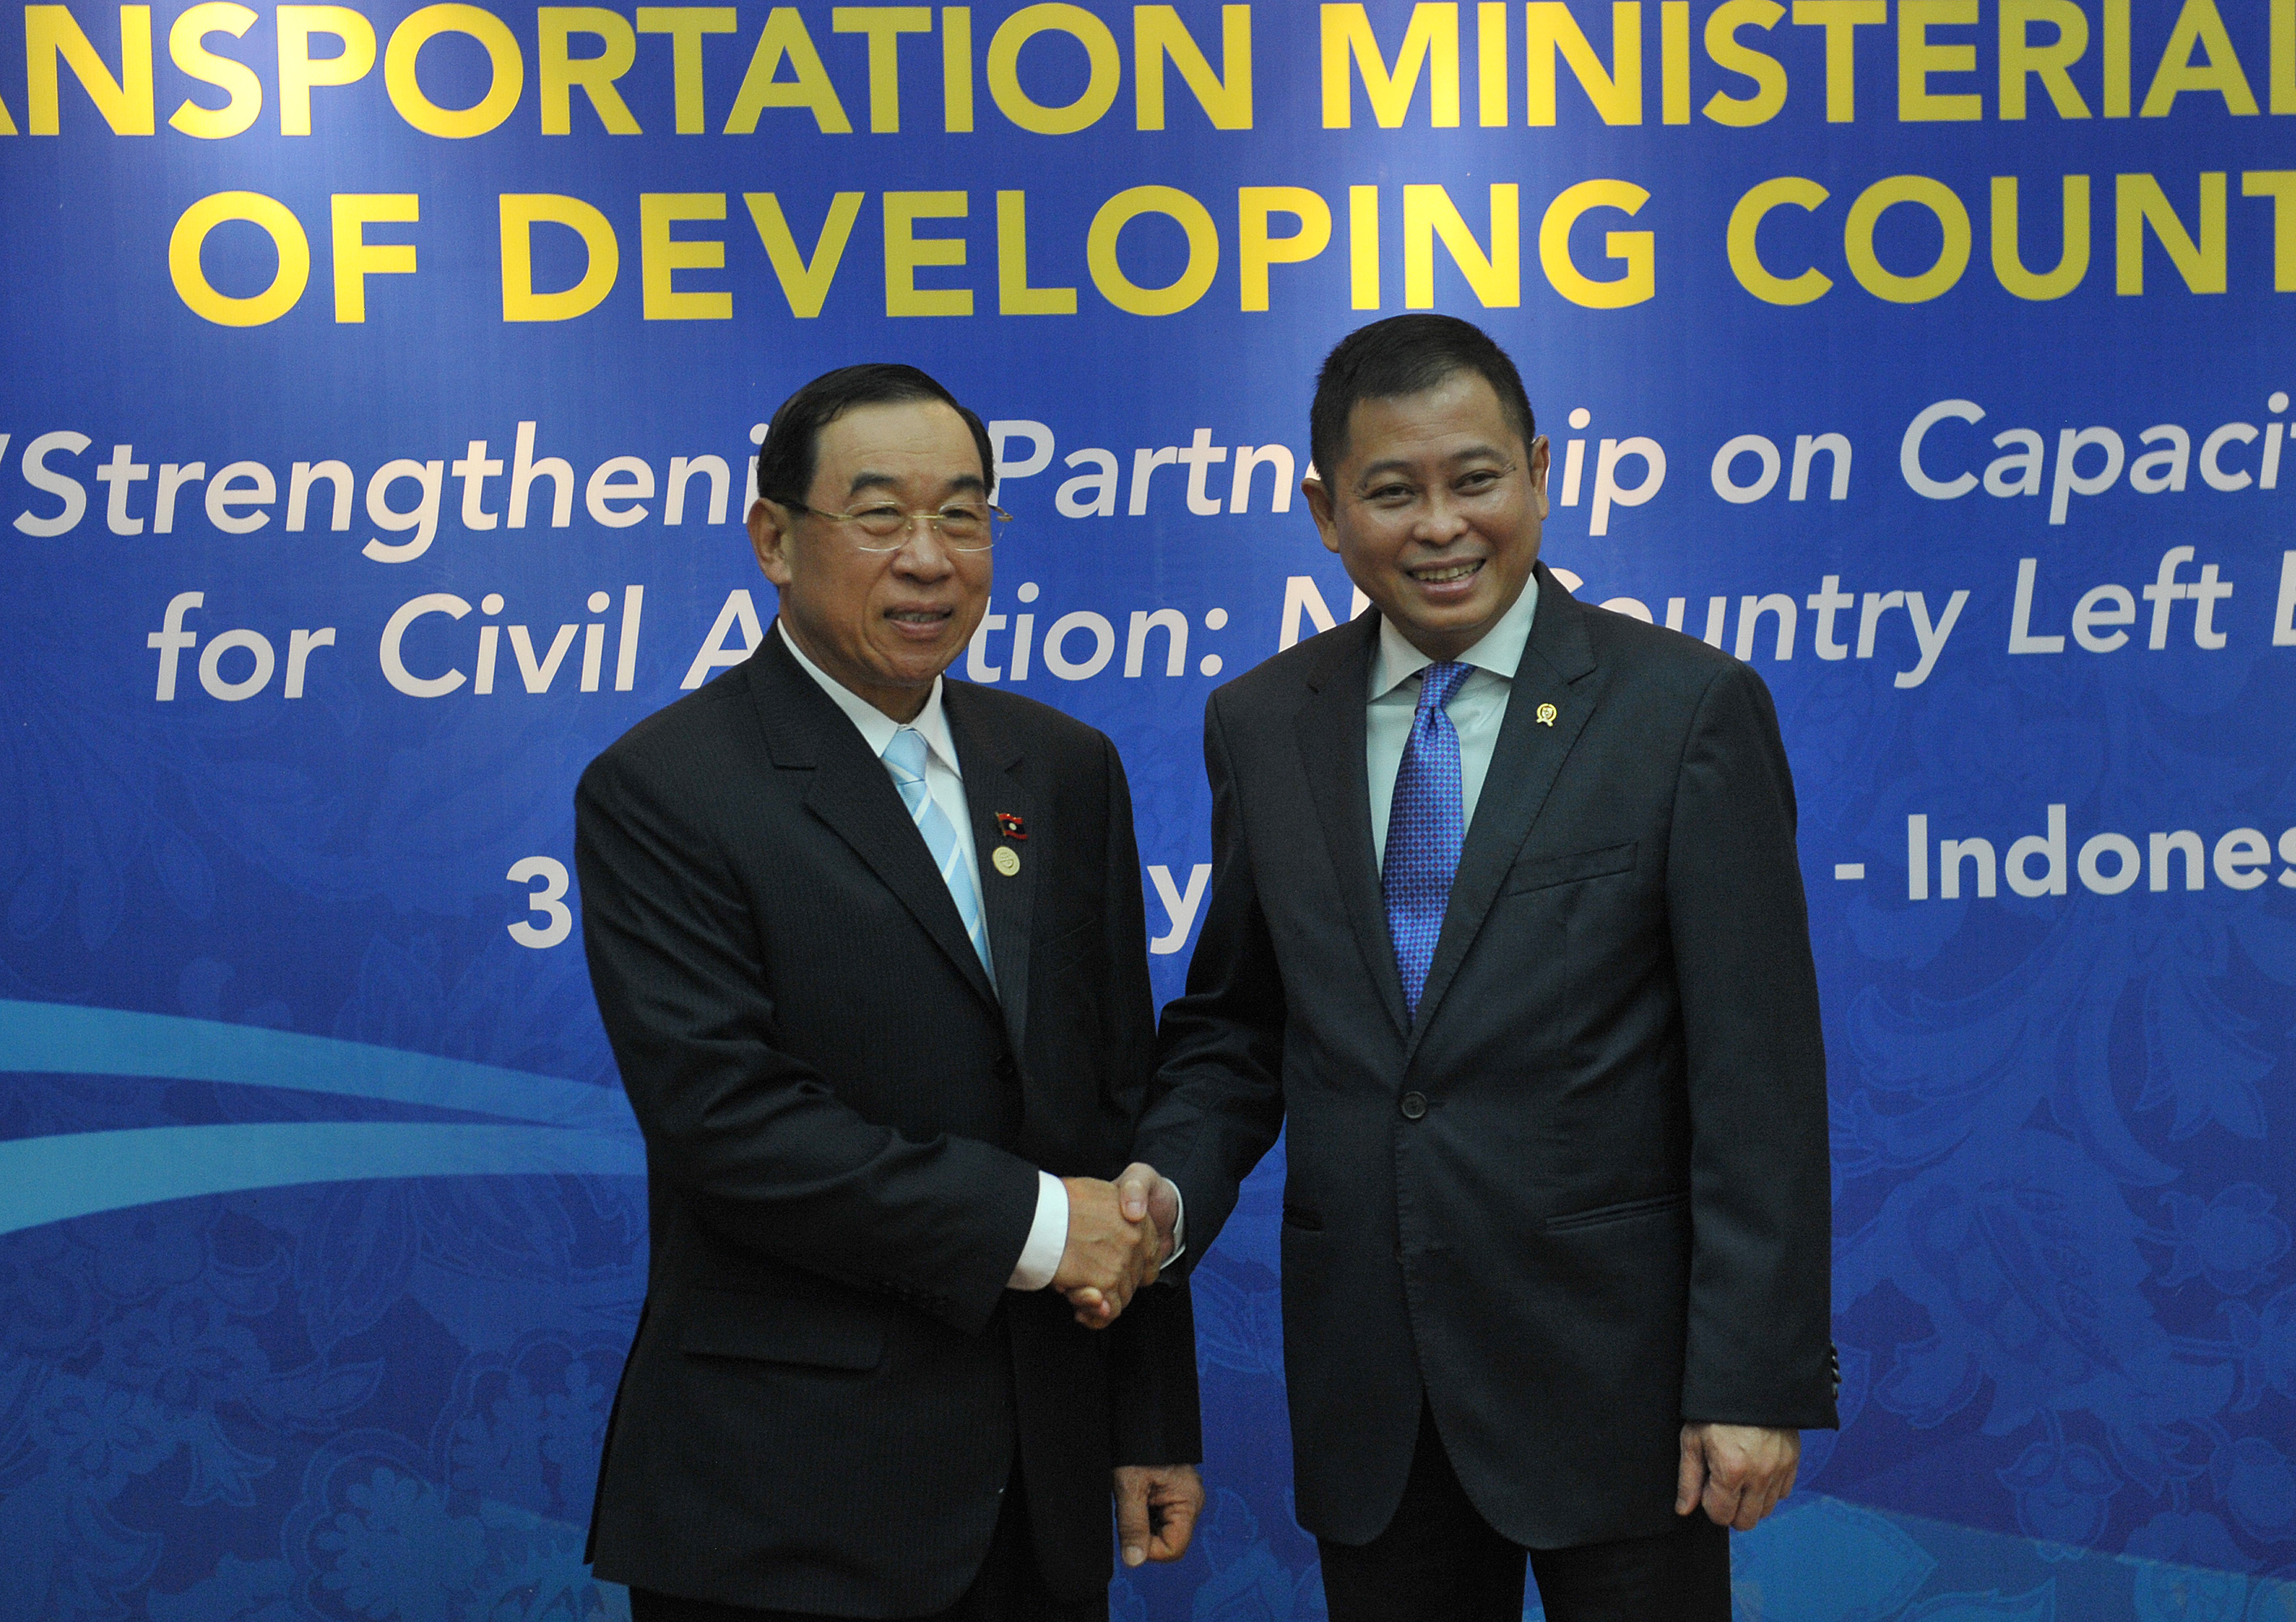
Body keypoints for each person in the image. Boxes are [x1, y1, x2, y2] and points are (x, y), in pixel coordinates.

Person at [1120, 316, 1836, 1621]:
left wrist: (1750, 1379)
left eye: (1477, 479)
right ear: (1326, 512)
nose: (1442, 525)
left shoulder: (1684, 710)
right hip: (1374, 1399)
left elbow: (1759, 1077)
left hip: (1622, 1395)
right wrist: (1159, 1194)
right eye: (1393, 491)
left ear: (1541, 475)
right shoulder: (1263, 723)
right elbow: (1239, 1027)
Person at [575, 363, 1202, 1622]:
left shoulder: (1065, 767)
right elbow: (727, 1126)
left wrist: (1149, 1416)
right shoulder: (666, 788)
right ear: (774, 539)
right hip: (785, 1504)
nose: (929, 559)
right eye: (880, 517)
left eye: (963, 516)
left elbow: (1113, 1103)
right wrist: (1041, 1227)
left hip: (1040, 1489)